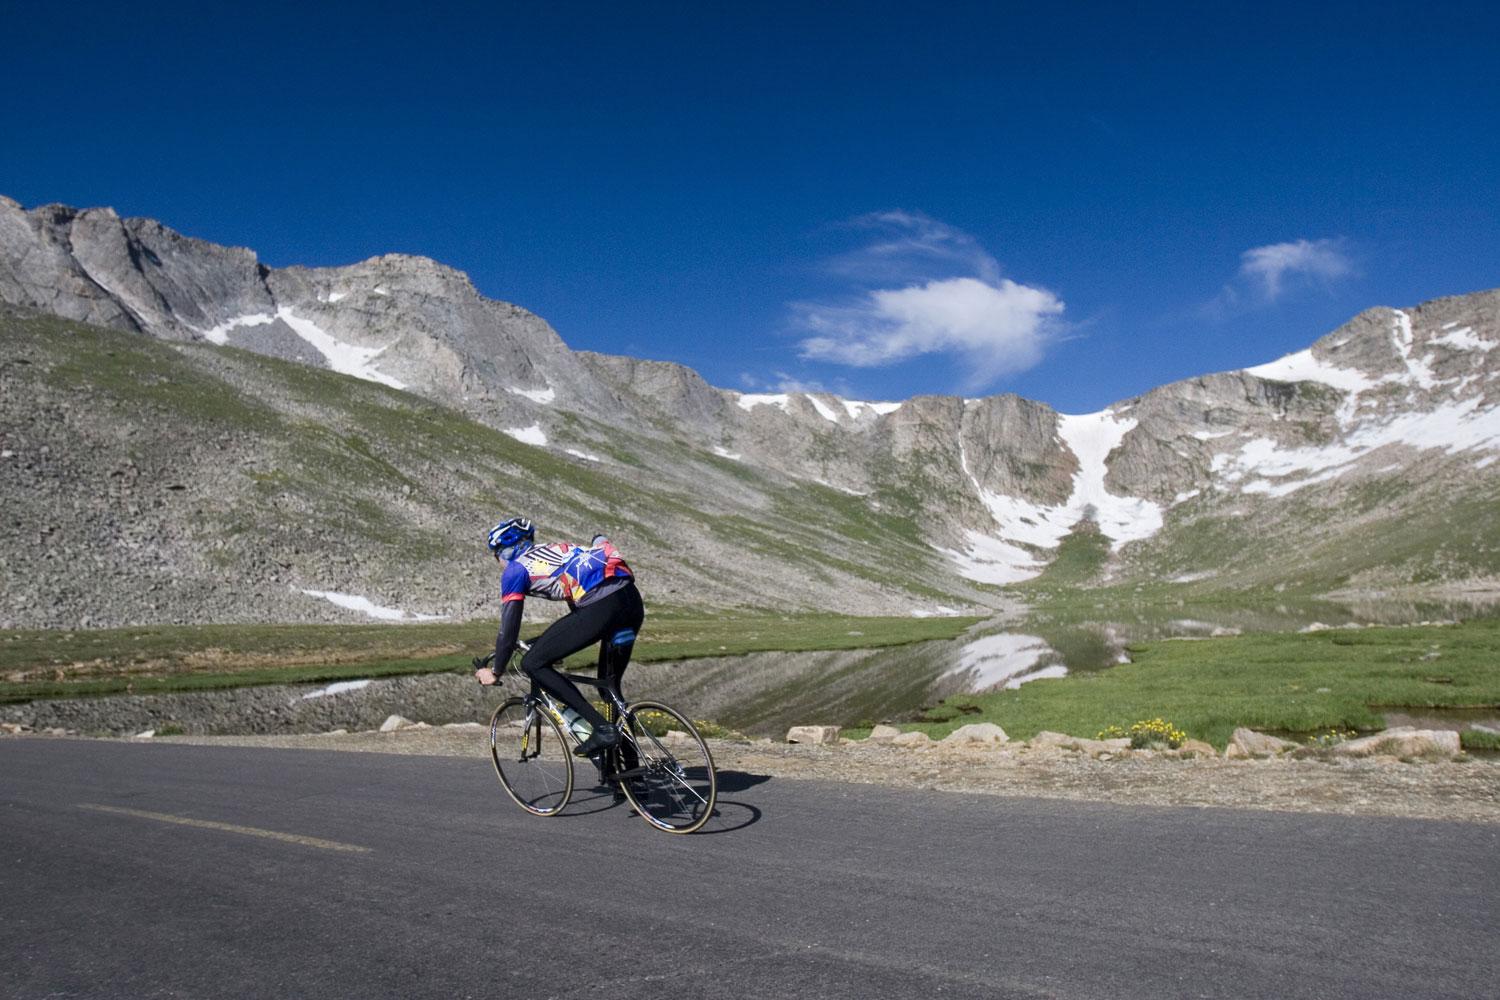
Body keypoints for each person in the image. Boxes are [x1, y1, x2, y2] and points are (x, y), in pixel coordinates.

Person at [473, 518, 644, 763]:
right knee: (609, 687)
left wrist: (497, 669)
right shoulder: (558, 550)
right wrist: (544, 642)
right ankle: (630, 770)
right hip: (631, 602)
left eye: (495, 555)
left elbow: (509, 628)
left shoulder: (516, 569)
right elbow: (577, 617)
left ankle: (602, 729)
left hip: (601, 607)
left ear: (505, 552)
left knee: (533, 664)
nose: (496, 561)